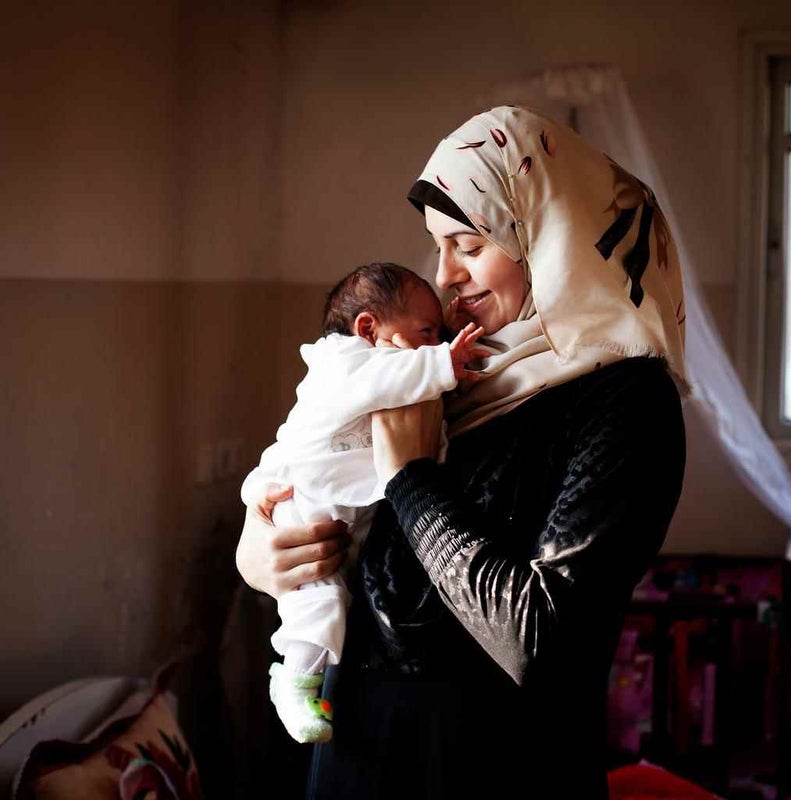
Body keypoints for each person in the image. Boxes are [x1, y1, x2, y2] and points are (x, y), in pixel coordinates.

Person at [235, 105, 691, 799]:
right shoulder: (453, 367)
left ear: (545, 239)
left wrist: (413, 480)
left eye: (469, 247)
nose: (445, 277)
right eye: (437, 246)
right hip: (355, 759)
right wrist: (261, 550)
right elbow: (317, 465)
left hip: (493, 769)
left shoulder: (627, 403)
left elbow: (543, 642)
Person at [240, 262, 488, 744]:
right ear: (369, 328)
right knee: (321, 599)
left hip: (339, 507)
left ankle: (301, 676)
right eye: (427, 332)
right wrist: (443, 366)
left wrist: (444, 366)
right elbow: (387, 379)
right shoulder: (345, 363)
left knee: (337, 594)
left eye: (439, 335)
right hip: (305, 498)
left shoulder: (390, 369)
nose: (436, 345)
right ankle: (293, 681)